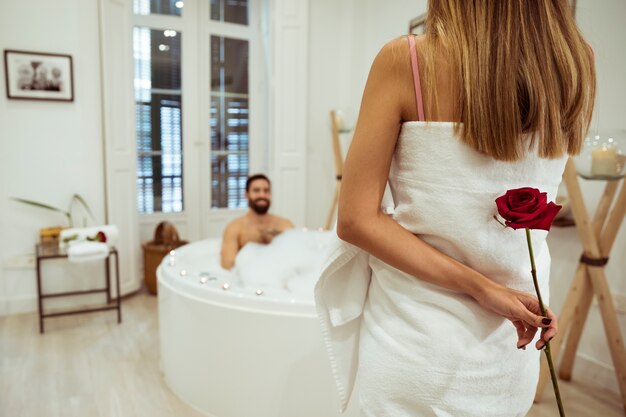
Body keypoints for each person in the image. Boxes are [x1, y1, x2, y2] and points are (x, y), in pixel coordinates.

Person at [314, 1, 595, 416]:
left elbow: (356, 220)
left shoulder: (408, 61)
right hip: (512, 343)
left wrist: (483, 289)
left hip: (414, 343)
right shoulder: (578, 64)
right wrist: (493, 288)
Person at [220, 174, 294, 269]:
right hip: (247, 280)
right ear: (246, 195)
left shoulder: (284, 225)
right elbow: (228, 265)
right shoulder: (235, 228)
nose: (262, 195)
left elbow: (294, 260)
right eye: (256, 190)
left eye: (266, 191)